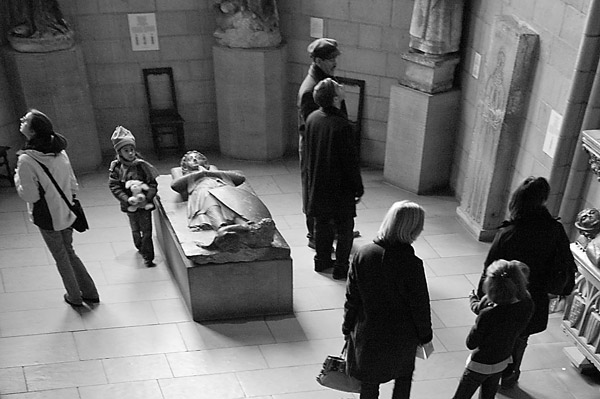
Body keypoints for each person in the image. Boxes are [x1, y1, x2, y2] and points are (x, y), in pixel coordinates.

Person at [477, 176, 577, 388]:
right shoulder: (554, 230)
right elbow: (565, 262)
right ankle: (511, 374)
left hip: (505, 294)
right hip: (534, 297)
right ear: (543, 199)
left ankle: (494, 373)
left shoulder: (508, 233)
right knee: (521, 337)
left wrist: (481, 297)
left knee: (500, 335)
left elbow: (490, 266)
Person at [342, 200, 432, 399]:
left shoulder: (363, 254)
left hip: (369, 333)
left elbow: (352, 298)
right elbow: (420, 305)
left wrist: (347, 327)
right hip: (402, 336)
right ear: (413, 229)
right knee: (403, 378)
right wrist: (425, 335)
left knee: (369, 383)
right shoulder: (412, 264)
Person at [14, 109, 99, 307]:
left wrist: (18, 177)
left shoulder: (26, 160)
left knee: (61, 257)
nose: (21, 120)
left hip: (47, 217)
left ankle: (75, 297)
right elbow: (72, 183)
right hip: (67, 211)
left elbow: (30, 195)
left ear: (33, 131)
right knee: (69, 251)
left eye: (25, 120)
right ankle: (90, 292)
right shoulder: (60, 151)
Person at [305, 77, 363, 279]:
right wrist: (358, 187)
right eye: (338, 86)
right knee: (345, 227)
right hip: (340, 186)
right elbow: (350, 161)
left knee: (321, 224)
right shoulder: (342, 126)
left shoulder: (312, 118)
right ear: (336, 97)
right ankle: (340, 267)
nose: (341, 86)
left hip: (318, 182)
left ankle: (321, 262)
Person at [453, 260, 534, 399]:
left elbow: (471, 343)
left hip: (479, 364)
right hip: (502, 360)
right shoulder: (527, 304)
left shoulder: (489, 314)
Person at [170, 151, 275, 250]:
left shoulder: (213, 172)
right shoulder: (188, 175)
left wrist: (210, 172)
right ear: (185, 165)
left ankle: (245, 225)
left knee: (231, 205)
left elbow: (240, 178)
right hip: (203, 191)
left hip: (223, 190)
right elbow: (176, 185)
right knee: (209, 199)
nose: (195, 160)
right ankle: (222, 228)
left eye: (198, 158)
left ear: (205, 161)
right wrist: (200, 174)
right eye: (191, 159)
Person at [297, 37, 346, 249]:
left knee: (330, 189)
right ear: (317, 60)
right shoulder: (311, 90)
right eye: (330, 58)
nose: (335, 62)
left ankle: (333, 230)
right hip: (315, 149)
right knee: (314, 189)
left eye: (335, 57)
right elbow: (313, 128)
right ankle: (314, 236)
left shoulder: (326, 79)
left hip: (326, 147)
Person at [108, 126, 159, 267]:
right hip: (129, 205)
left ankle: (149, 256)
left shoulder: (142, 165)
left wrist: (147, 197)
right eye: (126, 150)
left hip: (145, 205)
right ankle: (139, 246)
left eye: (132, 150)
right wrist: (127, 199)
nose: (130, 153)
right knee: (136, 229)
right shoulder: (117, 168)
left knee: (147, 230)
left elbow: (152, 183)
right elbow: (114, 186)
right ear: (119, 152)